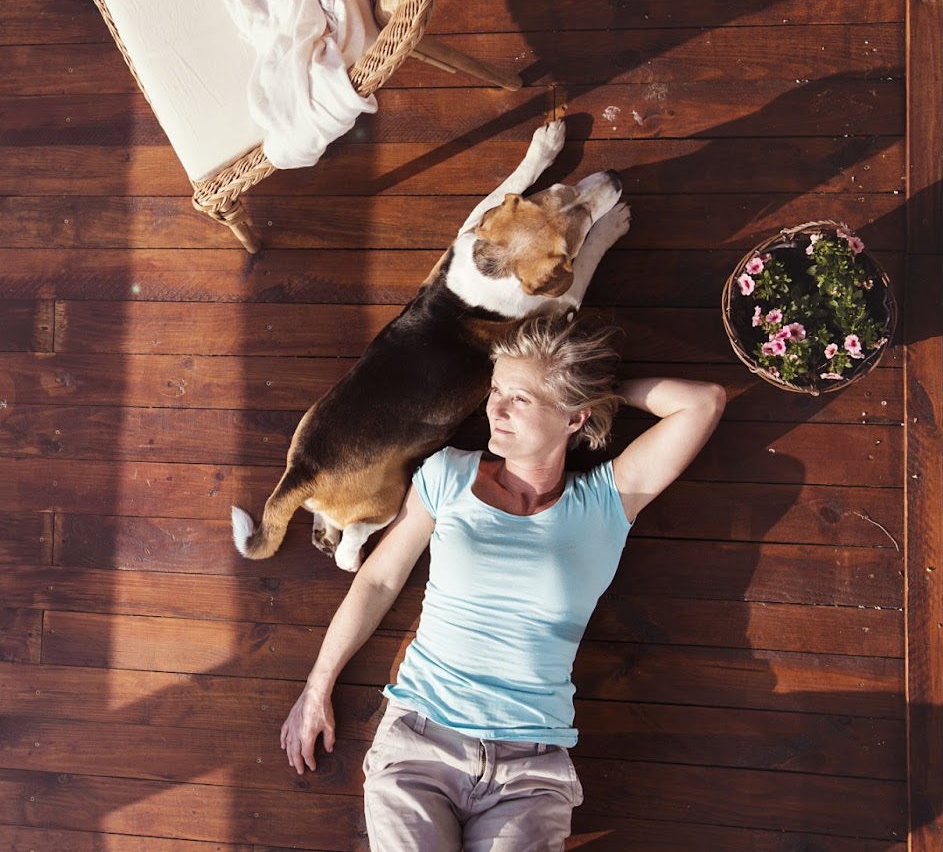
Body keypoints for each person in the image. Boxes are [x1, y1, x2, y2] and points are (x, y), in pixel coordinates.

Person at [278, 314, 727, 851]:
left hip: (530, 771)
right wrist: (316, 687)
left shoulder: (609, 500)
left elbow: (703, 402)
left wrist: (596, 391)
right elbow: (378, 579)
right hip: (422, 741)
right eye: (495, 389)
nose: (494, 408)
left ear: (573, 417)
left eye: (521, 398)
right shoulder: (448, 474)